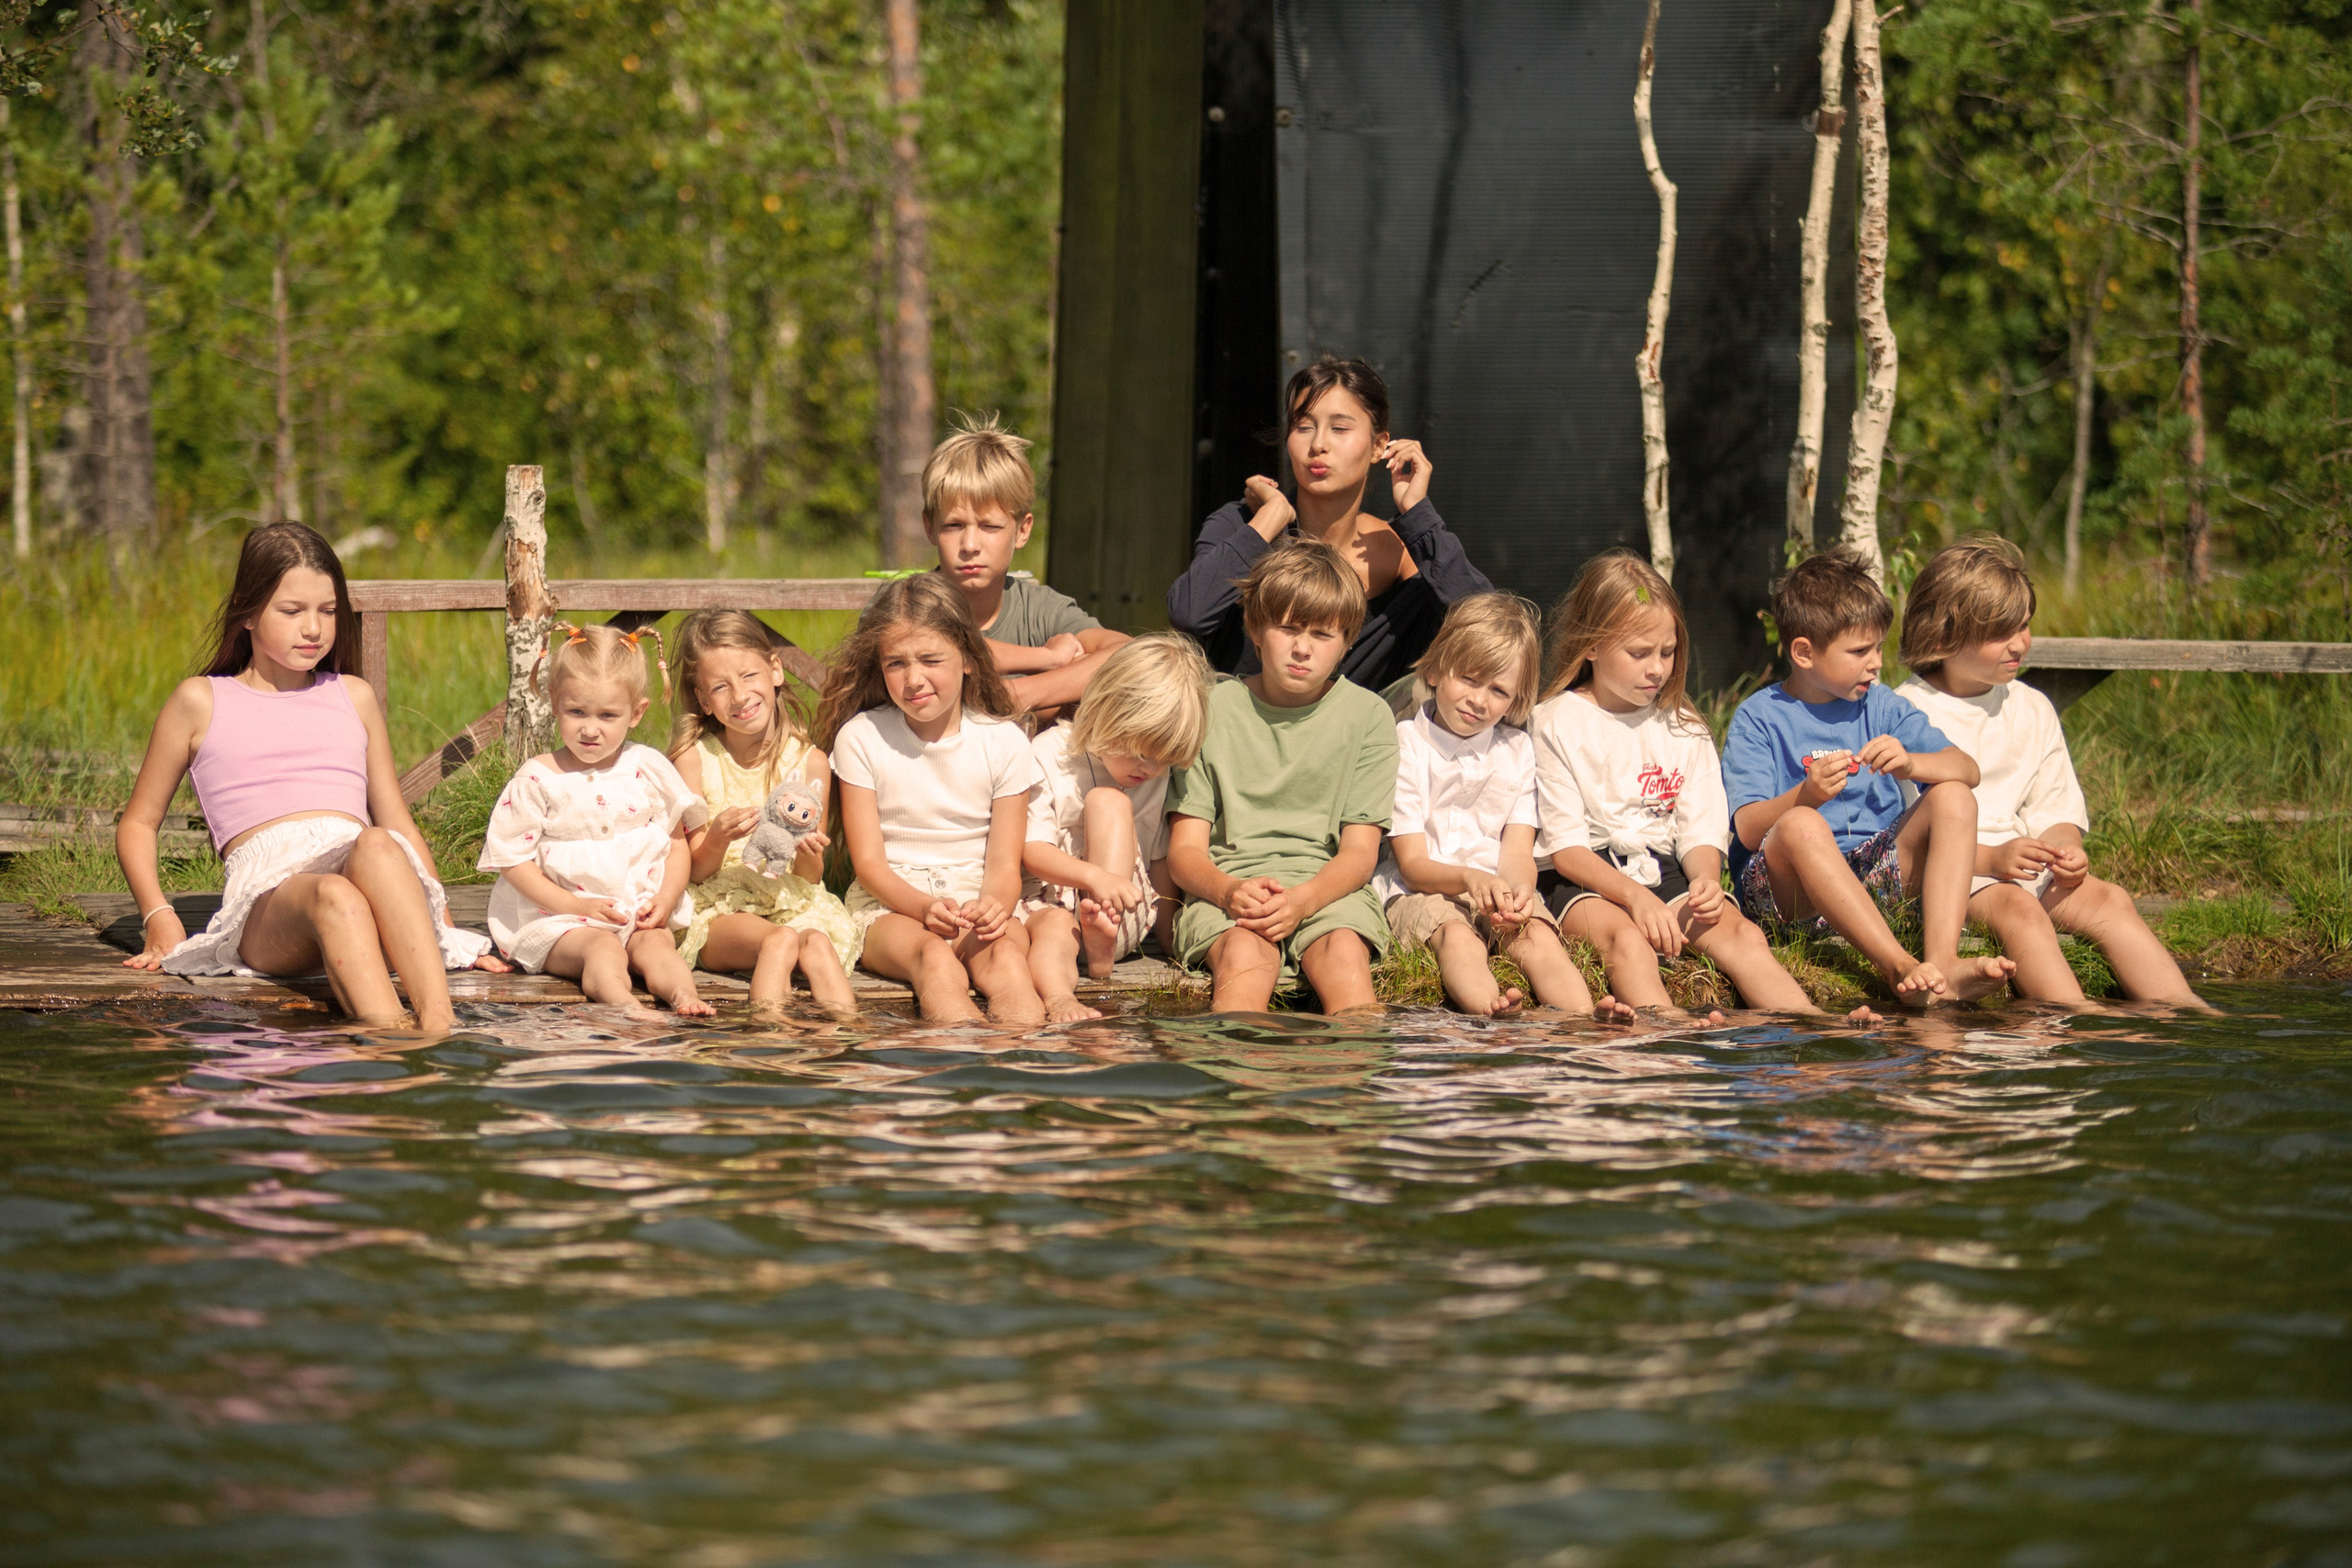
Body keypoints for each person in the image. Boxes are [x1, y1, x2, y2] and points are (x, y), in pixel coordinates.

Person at [117, 523, 499, 1032]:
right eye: (292, 611)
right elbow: (139, 823)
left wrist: (444, 928)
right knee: (331, 895)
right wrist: (158, 916)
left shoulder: (352, 695)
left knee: (380, 843)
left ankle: (437, 1026)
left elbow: (397, 822)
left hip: (366, 879)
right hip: (273, 908)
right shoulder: (200, 701)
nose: (314, 629)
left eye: (328, 611)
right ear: (248, 613)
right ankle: (394, 1042)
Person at [1533, 551, 1871, 1021]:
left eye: (1667, 652)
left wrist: (1707, 881)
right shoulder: (1554, 722)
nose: (1656, 668)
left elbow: (1698, 830)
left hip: (1663, 871)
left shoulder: (1684, 726)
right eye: (1639, 654)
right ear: (1591, 646)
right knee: (1629, 940)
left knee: (1743, 936)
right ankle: (1666, 1027)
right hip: (1583, 877)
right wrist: (1636, 899)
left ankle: (1810, 1022)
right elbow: (1567, 850)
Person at [1895, 537, 2204, 1008]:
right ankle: (2073, 1016)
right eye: (2001, 633)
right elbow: (1904, 839)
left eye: (2023, 626)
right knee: (2020, 909)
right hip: (1958, 878)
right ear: (1942, 637)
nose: (2019, 643)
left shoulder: (2032, 706)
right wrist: (1992, 859)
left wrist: (2067, 850)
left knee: (2111, 900)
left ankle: (2188, 1014)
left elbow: (2053, 807)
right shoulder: (1906, 712)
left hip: (2022, 865)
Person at [1723, 548, 2017, 1007]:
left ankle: (1942, 964)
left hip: (1873, 876)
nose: (1877, 663)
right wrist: (1806, 795)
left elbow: (1968, 770)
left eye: (1878, 646)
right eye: (1860, 651)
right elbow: (1747, 828)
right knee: (1802, 824)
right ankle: (1897, 965)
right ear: (1804, 652)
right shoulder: (1760, 717)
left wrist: (1911, 764)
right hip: (1792, 896)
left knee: (1954, 795)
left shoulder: (1881, 706)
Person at [1167, 355, 1491, 695]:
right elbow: (1189, 613)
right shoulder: (1244, 524)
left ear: (1379, 445)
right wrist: (1270, 520)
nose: (1318, 444)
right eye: (1303, 427)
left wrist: (1418, 516)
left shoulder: (1402, 552)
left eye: (1339, 428)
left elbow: (1487, 627)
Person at [1166, 541, 1397, 1013]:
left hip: (1329, 888)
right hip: (1228, 890)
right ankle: (1242, 1076)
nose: (1302, 648)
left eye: (1322, 633)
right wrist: (1229, 893)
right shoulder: (1210, 708)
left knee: (1343, 957)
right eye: (1287, 627)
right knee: (1244, 958)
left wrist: (1305, 899)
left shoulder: (1369, 716)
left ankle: (1349, 1079)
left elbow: (1359, 853)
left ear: (1348, 641)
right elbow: (1185, 851)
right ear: (1254, 627)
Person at [1377, 592, 1623, 1018]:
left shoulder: (1518, 749)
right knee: (1458, 938)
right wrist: (1472, 880)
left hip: (1495, 889)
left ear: (1516, 697)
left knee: (1539, 940)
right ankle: (1493, 1010)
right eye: (1469, 680)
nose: (1479, 700)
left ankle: (1583, 1019)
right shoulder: (1407, 744)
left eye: (1498, 690)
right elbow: (1414, 864)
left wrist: (1520, 892)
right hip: (1422, 890)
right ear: (1436, 670)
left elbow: (1516, 852)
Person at [818, 573, 1046, 1022]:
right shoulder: (863, 738)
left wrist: (993, 905)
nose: (913, 679)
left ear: (967, 658)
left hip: (979, 899)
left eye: (930, 659)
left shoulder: (1004, 742)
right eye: (896, 663)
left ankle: (1016, 1077)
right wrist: (923, 907)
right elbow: (870, 865)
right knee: (934, 960)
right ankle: (947, 1074)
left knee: (1008, 966)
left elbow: (1004, 865)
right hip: (891, 906)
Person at [479, 624, 710, 1019]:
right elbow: (512, 860)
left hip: (636, 911)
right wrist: (572, 903)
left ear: (636, 713)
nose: (590, 728)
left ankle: (684, 995)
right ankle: (625, 1005)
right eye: (576, 712)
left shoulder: (647, 767)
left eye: (607, 715)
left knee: (656, 947)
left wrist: (666, 898)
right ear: (554, 703)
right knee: (600, 950)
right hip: (559, 919)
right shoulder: (539, 778)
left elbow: (675, 844)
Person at [667, 609, 861, 1013]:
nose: (739, 696)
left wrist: (809, 855)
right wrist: (718, 839)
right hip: (720, 909)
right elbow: (694, 871)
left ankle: (845, 1043)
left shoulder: (809, 762)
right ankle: (770, 1040)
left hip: (792, 899)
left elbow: (811, 877)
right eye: (720, 687)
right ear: (703, 700)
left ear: (775, 670)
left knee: (817, 943)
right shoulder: (694, 760)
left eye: (749, 676)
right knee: (781, 939)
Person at [1018, 634, 1212, 1022]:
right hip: (1049, 904)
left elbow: (1158, 859)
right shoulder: (1049, 752)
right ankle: (1060, 998)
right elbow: (1031, 850)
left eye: (1163, 759)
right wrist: (1093, 877)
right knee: (1054, 931)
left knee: (1109, 802)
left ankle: (1102, 941)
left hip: (1121, 914)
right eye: (1138, 753)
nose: (1148, 769)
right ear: (1105, 713)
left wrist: (1170, 938)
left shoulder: (1156, 774)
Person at [924, 414, 1128, 717]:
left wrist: (1018, 696)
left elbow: (1126, 656)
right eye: (953, 525)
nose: (969, 545)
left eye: (989, 527)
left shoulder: (1041, 609)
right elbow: (940, 656)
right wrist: (1049, 660)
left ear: (1022, 530)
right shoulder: (907, 605)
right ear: (930, 528)